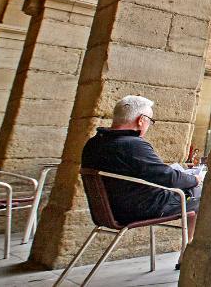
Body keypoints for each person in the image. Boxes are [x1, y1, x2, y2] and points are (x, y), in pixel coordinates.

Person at [81, 96, 204, 268]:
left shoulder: (93, 143)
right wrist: (195, 179)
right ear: (141, 120)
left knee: (190, 196)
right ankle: (187, 254)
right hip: (139, 209)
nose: (148, 126)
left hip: (108, 209)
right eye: (150, 121)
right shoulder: (133, 145)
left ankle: (186, 248)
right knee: (200, 197)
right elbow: (168, 178)